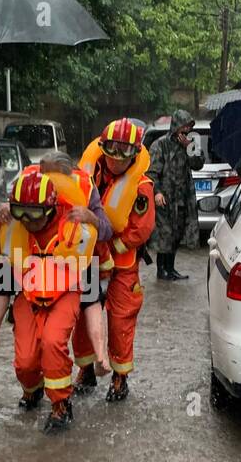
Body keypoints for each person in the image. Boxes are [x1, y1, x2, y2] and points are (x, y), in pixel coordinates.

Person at [0, 151, 112, 376]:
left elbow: (107, 230)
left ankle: (99, 356)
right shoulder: (30, 182)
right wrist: (1, 208)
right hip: (34, 254)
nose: (45, 177)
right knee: (5, 271)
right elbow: (7, 205)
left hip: (76, 253)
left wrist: (91, 218)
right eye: (42, 171)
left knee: (90, 295)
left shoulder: (85, 187)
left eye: (51, 173)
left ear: (68, 172)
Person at [0, 168, 97, 432]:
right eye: (20, 213)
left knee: (53, 342)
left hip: (65, 293)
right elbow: (1, 277)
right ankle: (33, 389)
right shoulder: (13, 231)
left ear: (50, 209)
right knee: (25, 361)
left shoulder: (77, 228)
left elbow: (92, 281)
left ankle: (61, 405)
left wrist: (101, 350)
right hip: (27, 294)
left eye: (34, 213)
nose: (27, 220)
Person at [73, 118, 157, 402]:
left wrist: (114, 245)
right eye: (110, 152)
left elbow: (141, 228)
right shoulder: (89, 172)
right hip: (90, 260)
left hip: (122, 266)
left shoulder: (141, 188)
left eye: (122, 153)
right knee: (82, 318)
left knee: (121, 321)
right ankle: (85, 369)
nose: (115, 160)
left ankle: (120, 377)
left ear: (134, 155)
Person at [147, 108, 202, 280]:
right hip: (165, 198)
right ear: (176, 126)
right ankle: (161, 269)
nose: (186, 130)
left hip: (182, 198)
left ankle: (170, 268)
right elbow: (151, 173)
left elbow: (198, 164)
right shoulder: (160, 145)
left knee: (177, 234)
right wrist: (157, 192)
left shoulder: (189, 144)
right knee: (165, 235)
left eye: (189, 127)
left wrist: (189, 147)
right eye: (184, 126)